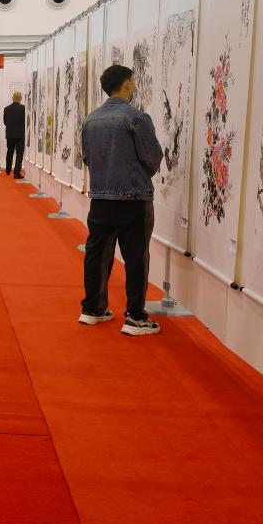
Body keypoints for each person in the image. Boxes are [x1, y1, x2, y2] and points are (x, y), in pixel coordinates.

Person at [79, 65, 164, 336]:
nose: (134, 85)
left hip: (100, 197)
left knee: (97, 253)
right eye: (133, 81)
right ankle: (135, 317)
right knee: (136, 257)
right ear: (127, 84)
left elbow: (86, 158)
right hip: (133, 197)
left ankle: (92, 309)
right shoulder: (136, 118)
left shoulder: (91, 120)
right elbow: (152, 157)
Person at [3, 91, 26, 179]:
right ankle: (16, 173)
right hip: (20, 134)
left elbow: (5, 122)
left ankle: (8, 170)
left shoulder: (6, 109)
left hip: (10, 134)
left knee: (10, 151)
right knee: (19, 154)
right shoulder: (24, 109)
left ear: (12, 98)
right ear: (20, 98)